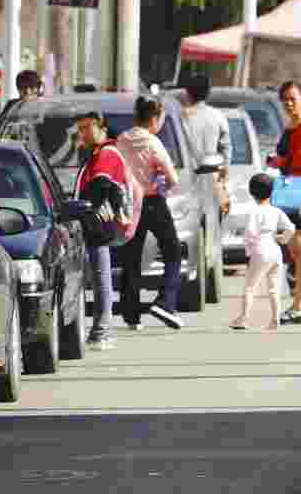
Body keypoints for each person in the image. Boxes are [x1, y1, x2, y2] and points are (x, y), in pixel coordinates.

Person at [116, 96, 184, 331]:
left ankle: (131, 314)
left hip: (128, 202)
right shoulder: (153, 143)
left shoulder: (122, 140)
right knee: (172, 250)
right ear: (154, 118)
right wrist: (160, 181)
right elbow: (173, 178)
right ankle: (165, 301)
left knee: (131, 257)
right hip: (153, 201)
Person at [268, 81, 301, 325]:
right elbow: (288, 159)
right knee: (298, 251)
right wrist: (278, 161)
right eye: (285, 99)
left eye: (293, 98)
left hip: (300, 194)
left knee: (299, 252)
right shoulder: (291, 126)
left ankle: (299, 306)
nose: (289, 103)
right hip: (293, 191)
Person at [73, 110, 124, 351]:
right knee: (97, 277)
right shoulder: (94, 154)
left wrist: (83, 210)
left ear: (101, 126)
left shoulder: (107, 153)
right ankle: (99, 329)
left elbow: (100, 188)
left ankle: (103, 331)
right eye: (79, 129)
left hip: (98, 224)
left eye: (86, 128)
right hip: (94, 223)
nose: (82, 134)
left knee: (101, 278)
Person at [230, 173, 296, 331]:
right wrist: (283, 239)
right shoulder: (276, 211)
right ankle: (275, 320)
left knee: (250, 287)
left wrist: (248, 252)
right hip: (275, 249)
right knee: (274, 287)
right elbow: (291, 228)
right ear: (271, 191)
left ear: (252, 193)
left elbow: (250, 233)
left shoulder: (254, 212)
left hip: (260, 249)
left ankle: (244, 319)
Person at [183, 74, 232, 216]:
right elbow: (226, 148)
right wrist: (224, 176)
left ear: (188, 93)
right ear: (208, 93)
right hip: (214, 180)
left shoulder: (182, 116)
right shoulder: (218, 116)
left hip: (188, 179)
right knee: (212, 225)